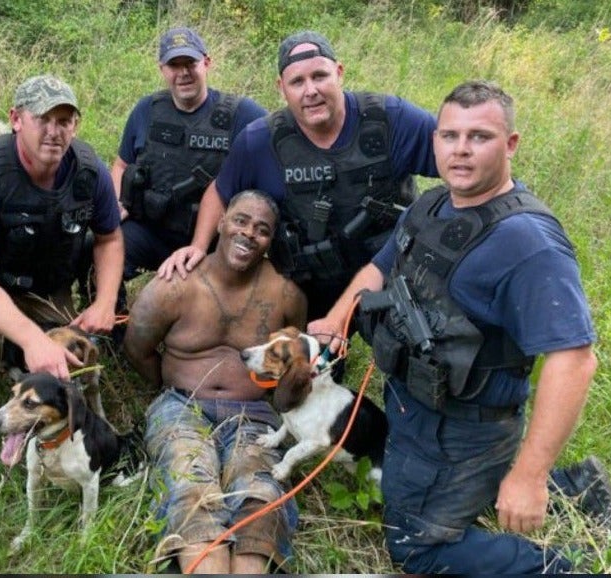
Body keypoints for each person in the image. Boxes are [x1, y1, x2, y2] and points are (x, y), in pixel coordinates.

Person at [308, 80, 611, 574]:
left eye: (480, 137)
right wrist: (336, 317)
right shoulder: (431, 205)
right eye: (449, 136)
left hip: (462, 427)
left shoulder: (527, 243)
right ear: (434, 141)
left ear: (511, 144)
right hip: (412, 406)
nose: (461, 150)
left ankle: (567, 564)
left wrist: (531, 475)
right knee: (399, 488)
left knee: (416, 546)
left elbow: (575, 361)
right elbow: (381, 266)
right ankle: (574, 486)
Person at [159, 30, 438, 322]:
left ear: (339, 73)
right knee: (300, 365)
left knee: (416, 348)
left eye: (320, 76)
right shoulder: (259, 141)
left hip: (389, 273)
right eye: (297, 82)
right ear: (281, 88)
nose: (311, 91)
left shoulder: (392, 119)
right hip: (313, 283)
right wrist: (199, 246)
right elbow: (220, 192)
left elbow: (462, 164)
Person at [123, 190, 307, 574]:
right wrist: (172, 388)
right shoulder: (175, 284)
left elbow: (293, 357)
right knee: (189, 482)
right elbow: (137, 348)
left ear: (271, 240)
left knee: (260, 492)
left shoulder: (286, 293)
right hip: (181, 404)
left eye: (262, 230)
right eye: (240, 221)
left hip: (253, 413)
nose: (248, 234)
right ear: (220, 222)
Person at [0, 74, 124, 450]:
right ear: (16, 119)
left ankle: (75, 442)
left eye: (64, 121)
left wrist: (105, 302)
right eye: (43, 119)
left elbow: (109, 238)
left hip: (47, 286)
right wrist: (30, 340)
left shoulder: (90, 173)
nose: (54, 131)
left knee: (71, 354)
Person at [111, 26, 267, 287]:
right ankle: (111, 322)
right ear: (163, 69)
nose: (183, 72)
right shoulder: (146, 110)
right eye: (174, 65)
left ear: (206, 63)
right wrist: (118, 204)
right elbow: (121, 164)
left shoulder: (242, 114)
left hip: (214, 242)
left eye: (190, 63)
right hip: (152, 230)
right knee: (103, 248)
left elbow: (278, 144)